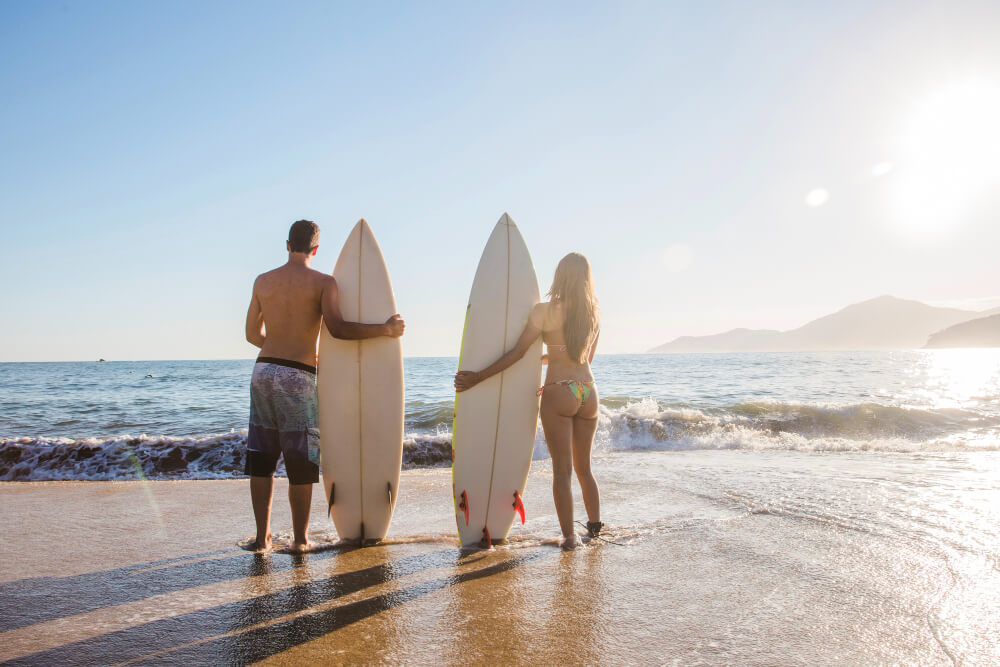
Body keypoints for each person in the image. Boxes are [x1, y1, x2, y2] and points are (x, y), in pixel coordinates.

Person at [244, 219, 405, 552]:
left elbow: (251, 335)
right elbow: (339, 328)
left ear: (287, 245)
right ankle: (301, 539)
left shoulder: (263, 281)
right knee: (300, 461)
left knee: (262, 458)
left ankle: (263, 538)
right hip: (297, 375)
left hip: (262, 371)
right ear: (315, 249)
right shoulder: (322, 282)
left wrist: (277, 348)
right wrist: (385, 329)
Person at [455, 252, 601, 549]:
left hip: (559, 390)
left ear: (560, 275)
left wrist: (478, 376)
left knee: (563, 471)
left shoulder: (544, 311)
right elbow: (584, 357)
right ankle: (595, 530)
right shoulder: (594, 313)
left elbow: (518, 353)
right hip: (588, 391)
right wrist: (550, 359)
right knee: (584, 469)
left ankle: (570, 539)